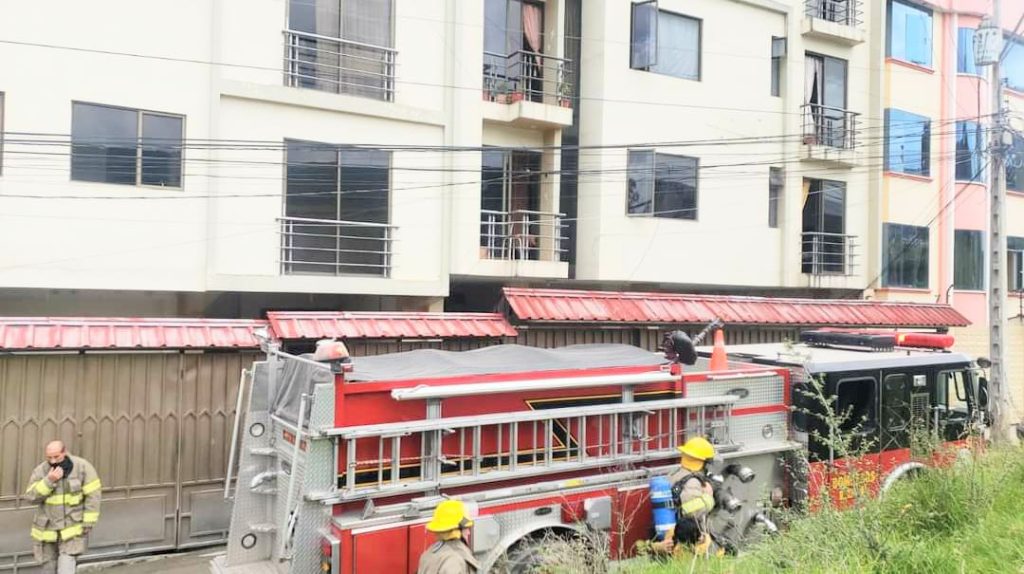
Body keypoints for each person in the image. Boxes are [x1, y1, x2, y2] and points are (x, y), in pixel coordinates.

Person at [24, 441, 102, 573]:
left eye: (56, 456)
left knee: (66, 567)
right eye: (49, 457)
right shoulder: (40, 471)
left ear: (64, 452)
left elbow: (93, 496)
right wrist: (49, 481)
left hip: (71, 528)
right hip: (47, 529)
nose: (53, 461)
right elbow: (30, 497)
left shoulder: (82, 467)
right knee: (48, 568)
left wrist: (88, 522)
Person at [655, 437, 722, 558]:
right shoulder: (692, 482)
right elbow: (690, 512)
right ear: (701, 463)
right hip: (684, 543)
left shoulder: (676, 473)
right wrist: (708, 497)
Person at [416, 499, 479, 574]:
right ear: (456, 530)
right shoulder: (454, 560)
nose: (468, 532)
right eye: (466, 529)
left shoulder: (428, 554)